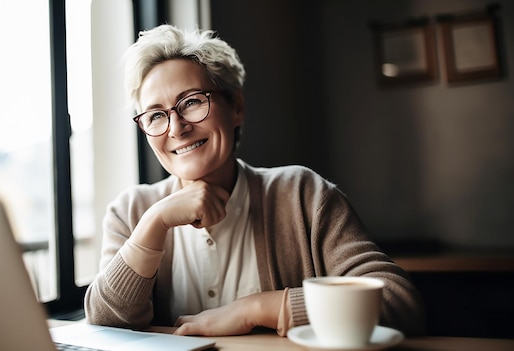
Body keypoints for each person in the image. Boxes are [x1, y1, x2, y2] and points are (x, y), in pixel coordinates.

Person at [84, 23, 425, 337]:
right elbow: (105, 323)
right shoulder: (131, 211)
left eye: (191, 103)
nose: (176, 128)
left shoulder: (303, 195)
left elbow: (398, 301)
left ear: (237, 107)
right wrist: (154, 224)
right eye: (156, 115)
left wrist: (259, 308)